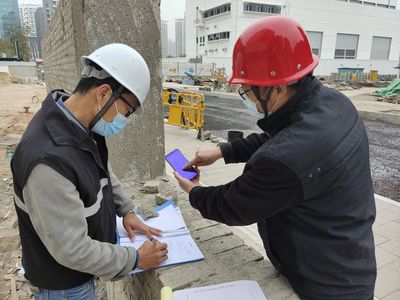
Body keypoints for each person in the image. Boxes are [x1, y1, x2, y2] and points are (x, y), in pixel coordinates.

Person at [174, 16, 376, 300]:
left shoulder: (284, 160)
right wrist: (222, 151)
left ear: (278, 88)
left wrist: (194, 192)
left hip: (325, 286)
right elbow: (280, 139)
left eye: (248, 91)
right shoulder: (334, 103)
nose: (246, 99)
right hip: (351, 262)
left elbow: (234, 205)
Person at [11, 43, 168, 299]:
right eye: (126, 112)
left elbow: (100, 167)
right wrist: (136, 258)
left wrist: (125, 210)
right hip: (63, 285)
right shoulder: (48, 161)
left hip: (79, 275)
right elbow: (72, 250)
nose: (124, 121)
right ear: (104, 94)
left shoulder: (77, 122)